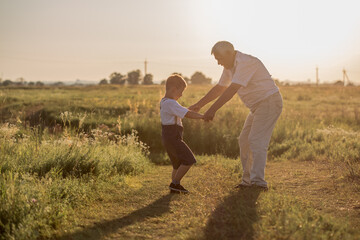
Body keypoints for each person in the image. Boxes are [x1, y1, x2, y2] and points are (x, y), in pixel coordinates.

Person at [190, 41, 283, 190]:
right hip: (256, 106)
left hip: (269, 102)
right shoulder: (229, 66)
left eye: (220, 59)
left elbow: (232, 89)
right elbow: (220, 87)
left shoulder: (246, 62)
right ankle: (247, 182)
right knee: (244, 141)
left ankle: (258, 183)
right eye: (217, 60)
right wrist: (199, 105)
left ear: (229, 53)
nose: (219, 63)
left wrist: (212, 110)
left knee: (256, 140)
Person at [160, 74, 204, 193]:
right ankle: (175, 184)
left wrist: (189, 109)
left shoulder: (165, 102)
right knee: (189, 159)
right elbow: (187, 114)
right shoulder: (171, 103)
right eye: (181, 91)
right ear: (174, 89)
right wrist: (203, 117)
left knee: (177, 164)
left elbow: (182, 111)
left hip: (168, 137)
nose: (181, 95)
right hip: (173, 137)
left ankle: (174, 186)